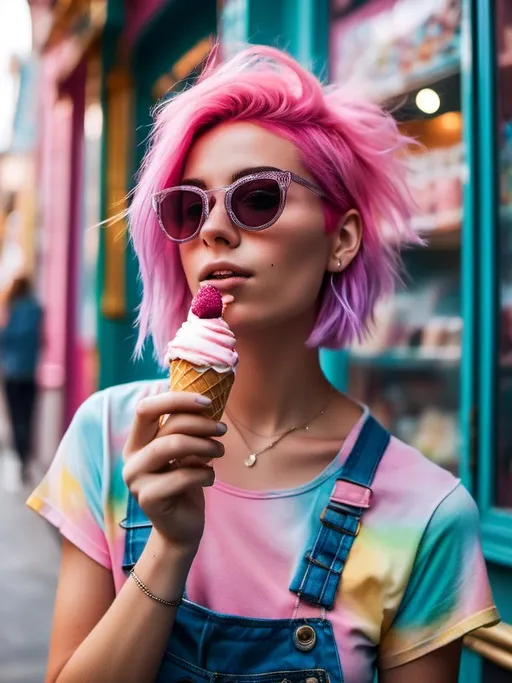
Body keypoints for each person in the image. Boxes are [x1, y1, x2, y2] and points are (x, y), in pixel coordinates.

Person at [27, 46, 498, 683]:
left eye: (256, 199)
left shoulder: (426, 513)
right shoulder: (108, 436)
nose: (215, 229)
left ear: (342, 239)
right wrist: (165, 553)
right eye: (189, 208)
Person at [0, 274, 42, 484]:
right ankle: (25, 456)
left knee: (16, 418)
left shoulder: (12, 308)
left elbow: (4, 338)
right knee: (28, 416)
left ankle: (21, 456)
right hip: (30, 372)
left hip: (12, 373)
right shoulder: (36, 310)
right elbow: (40, 339)